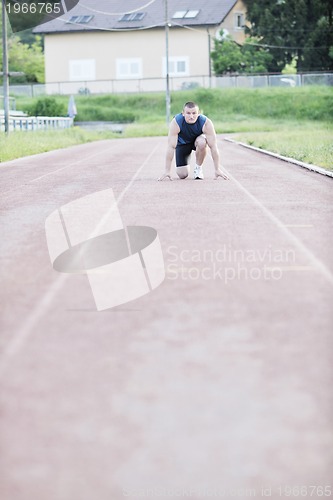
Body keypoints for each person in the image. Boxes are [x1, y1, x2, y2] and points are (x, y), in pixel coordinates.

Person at [158, 101, 229, 181]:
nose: (191, 116)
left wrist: (217, 169)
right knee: (182, 175)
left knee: (202, 142)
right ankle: (183, 164)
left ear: (198, 113)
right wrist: (167, 171)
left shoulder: (206, 123)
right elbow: (171, 147)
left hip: (197, 142)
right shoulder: (176, 123)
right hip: (182, 144)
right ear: (183, 113)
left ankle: (198, 169)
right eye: (188, 113)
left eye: (194, 113)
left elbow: (213, 147)